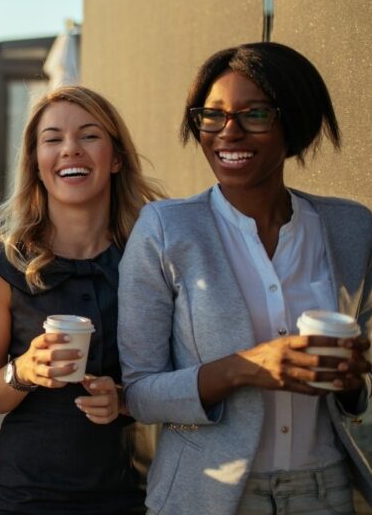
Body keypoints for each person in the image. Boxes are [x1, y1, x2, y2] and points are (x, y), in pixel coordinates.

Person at [118, 42, 372, 515]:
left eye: (254, 115)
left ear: (292, 124)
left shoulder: (352, 229)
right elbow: (140, 394)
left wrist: (352, 383)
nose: (227, 133)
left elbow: (362, 390)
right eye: (211, 116)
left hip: (326, 491)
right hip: (206, 494)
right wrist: (248, 367)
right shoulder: (166, 229)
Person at [0, 85, 163, 515]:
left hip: (134, 493)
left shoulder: (150, 258)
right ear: (36, 163)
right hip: (24, 496)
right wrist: (23, 370)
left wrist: (125, 398)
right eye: (52, 139)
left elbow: (177, 374)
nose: (70, 149)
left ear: (116, 158)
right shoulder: (1, 266)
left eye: (89, 136)